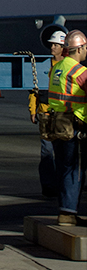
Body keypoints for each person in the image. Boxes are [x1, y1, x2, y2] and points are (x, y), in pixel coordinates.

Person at [48, 28, 87, 225]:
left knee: (63, 168)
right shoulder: (80, 72)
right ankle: (69, 212)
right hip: (74, 127)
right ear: (79, 49)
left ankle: (65, 211)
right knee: (75, 170)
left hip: (56, 124)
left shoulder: (57, 67)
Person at [38, 27, 68, 198]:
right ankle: (49, 186)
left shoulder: (68, 66)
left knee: (63, 153)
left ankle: (62, 184)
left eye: (56, 45)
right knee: (47, 152)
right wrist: (33, 109)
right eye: (51, 45)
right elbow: (35, 90)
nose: (52, 48)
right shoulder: (44, 65)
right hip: (46, 114)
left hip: (63, 116)